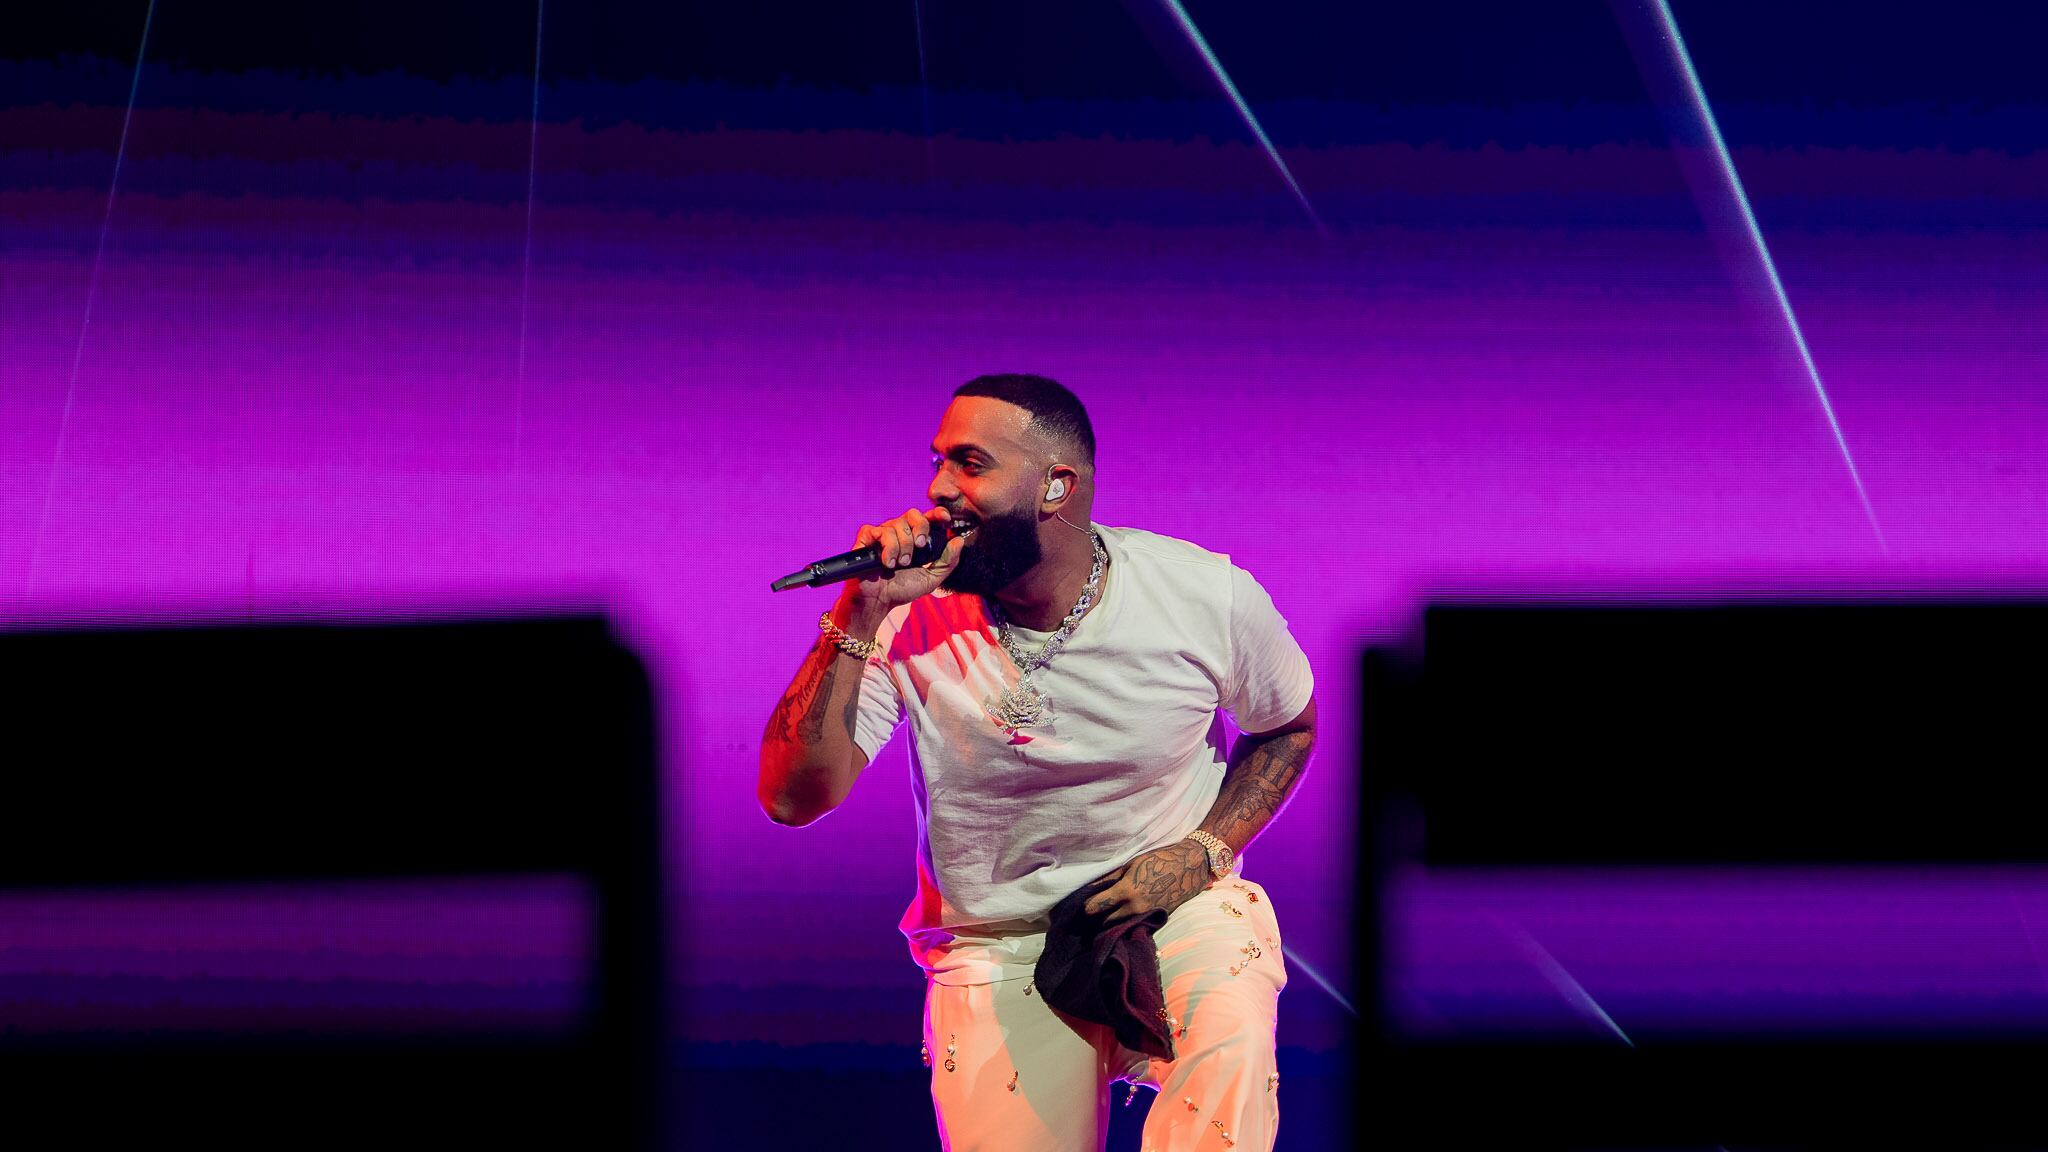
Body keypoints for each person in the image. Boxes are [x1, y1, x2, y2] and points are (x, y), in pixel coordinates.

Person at [758, 374, 1316, 1152]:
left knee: (1228, 1049)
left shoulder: (1200, 595)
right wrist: (857, 612)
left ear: (1057, 486)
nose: (937, 489)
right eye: (938, 462)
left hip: (1172, 908)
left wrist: (1203, 853)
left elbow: (1288, 727)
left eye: (970, 464)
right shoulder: (906, 615)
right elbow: (792, 798)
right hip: (996, 936)